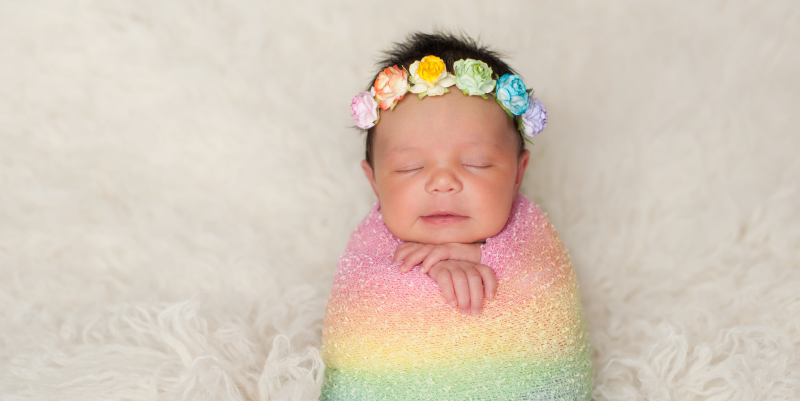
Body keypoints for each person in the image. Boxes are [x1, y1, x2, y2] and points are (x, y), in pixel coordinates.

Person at [321, 32, 592, 400]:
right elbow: (356, 326)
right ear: (374, 182)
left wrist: (482, 259)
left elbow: (549, 298)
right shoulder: (367, 252)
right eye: (409, 167)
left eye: (475, 163)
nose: (444, 182)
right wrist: (427, 275)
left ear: (517, 173)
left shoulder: (534, 243)